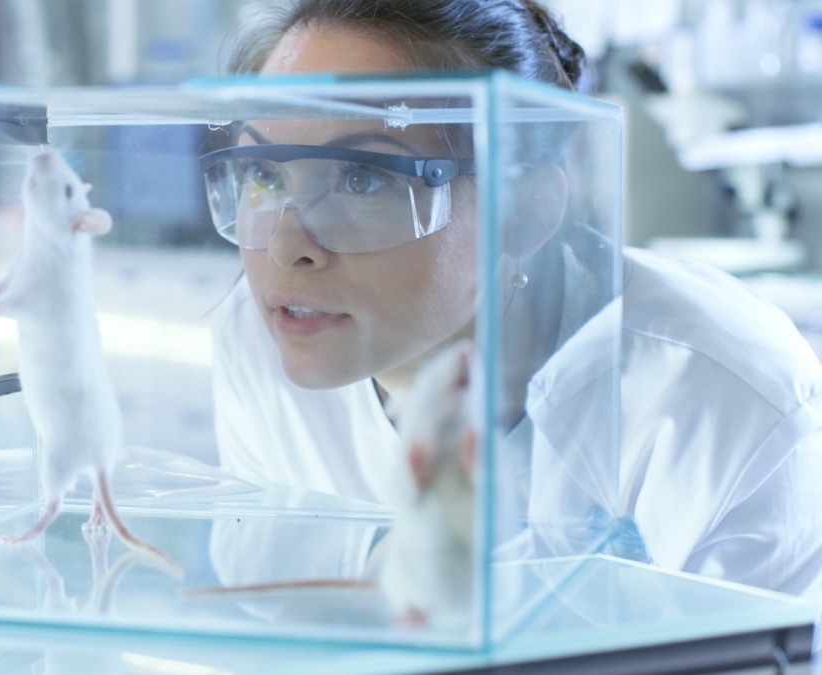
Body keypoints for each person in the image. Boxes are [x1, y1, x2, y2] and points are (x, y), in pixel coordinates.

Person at [207, 0, 822, 603]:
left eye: (365, 178)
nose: (287, 248)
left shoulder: (734, 402)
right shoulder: (259, 343)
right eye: (265, 175)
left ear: (527, 210)